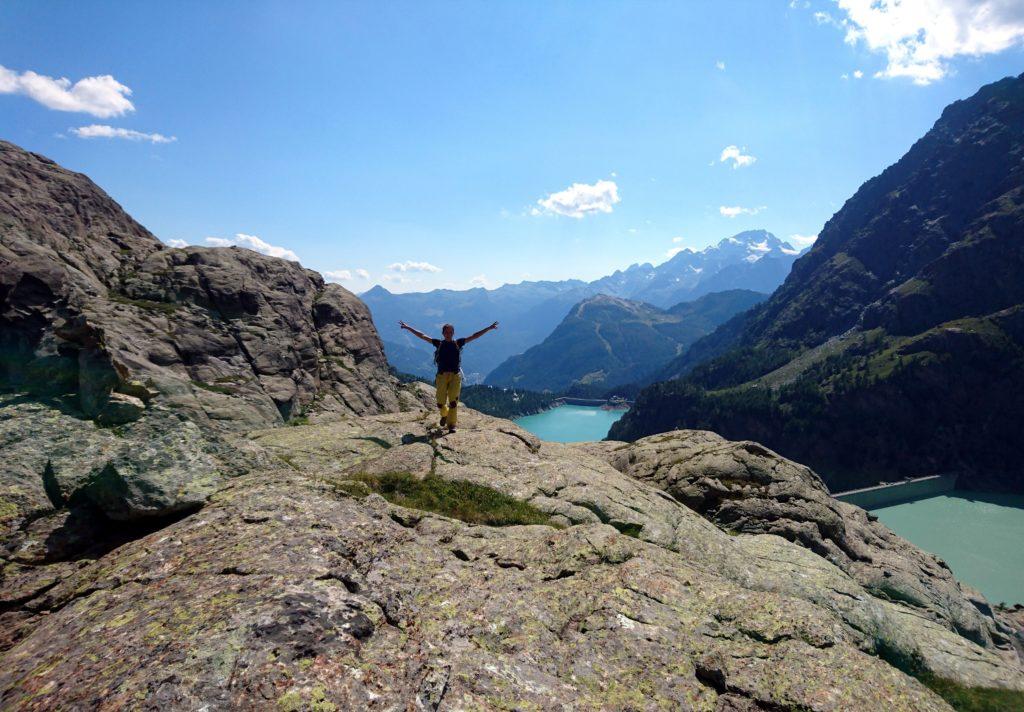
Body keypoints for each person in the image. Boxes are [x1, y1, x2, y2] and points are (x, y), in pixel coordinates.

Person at [399, 320, 498, 433]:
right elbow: (422, 336)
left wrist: (488, 328)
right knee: (440, 402)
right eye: (447, 332)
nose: (449, 334)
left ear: (453, 333)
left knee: (453, 402)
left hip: (455, 376)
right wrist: (408, 328)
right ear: (443, 333)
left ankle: (452, 425)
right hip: (441, 377)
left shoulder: (458, 343)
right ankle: (444, 414)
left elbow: (474, 336)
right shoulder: (439, 343)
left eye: (451, 332)